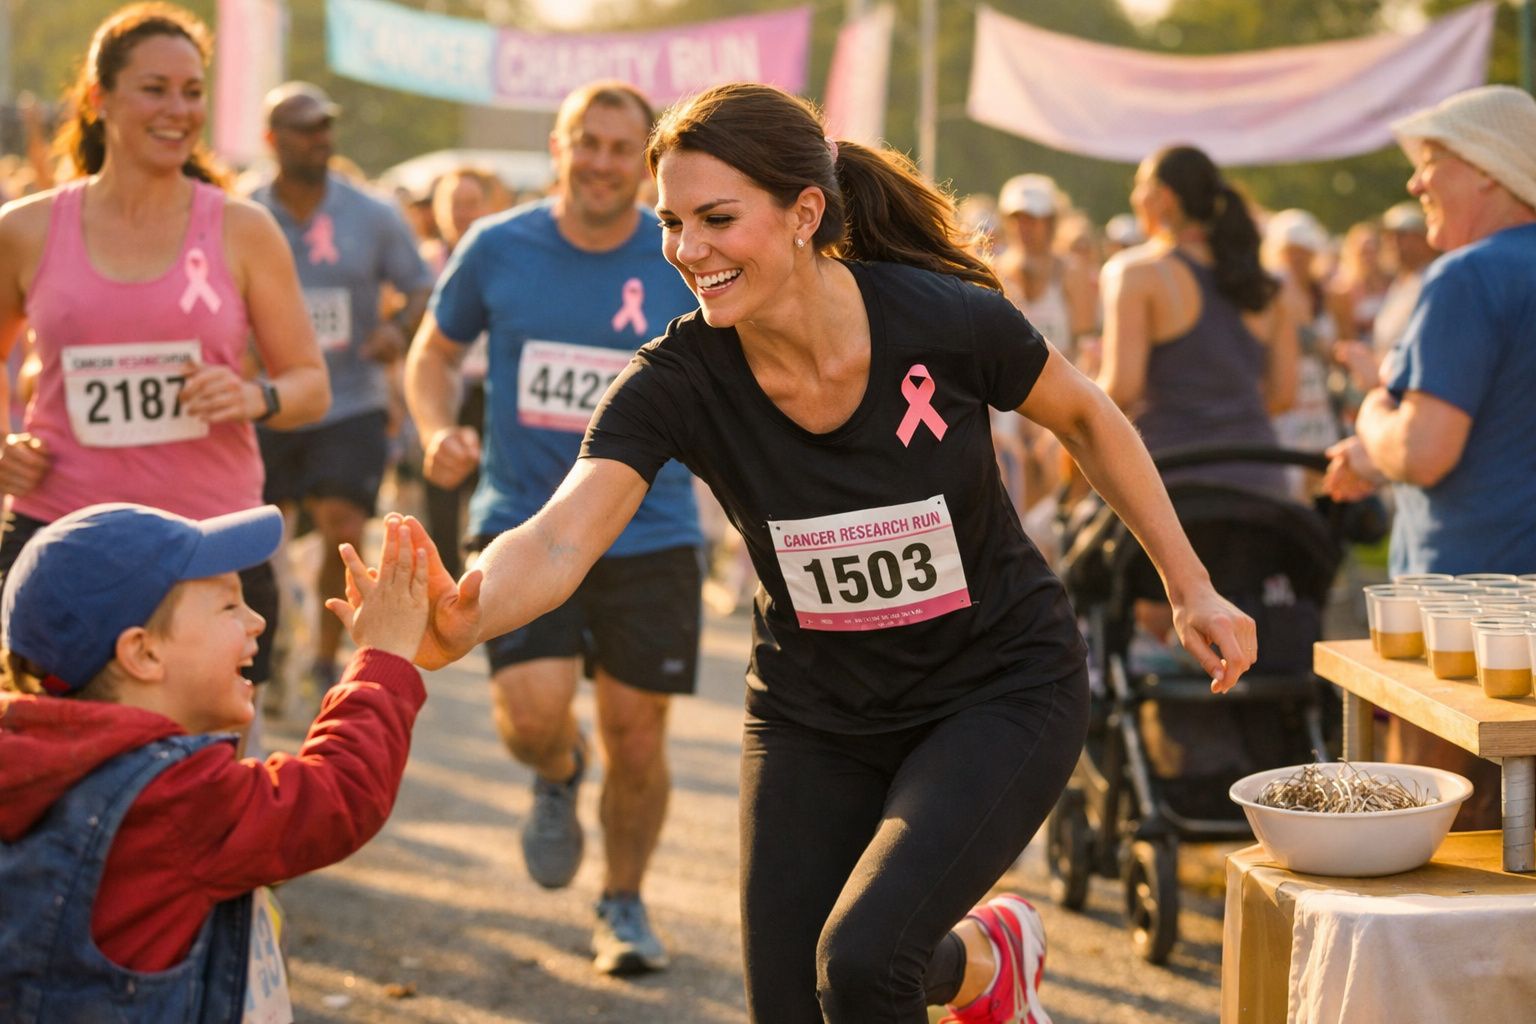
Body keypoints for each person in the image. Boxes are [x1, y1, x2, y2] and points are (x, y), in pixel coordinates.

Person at [401, 82, 1257, 1024]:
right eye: (673, 223)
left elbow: (1090, 418)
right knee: (797, 1003)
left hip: (998, 686)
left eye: (718, 219)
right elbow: (562, 534)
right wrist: (462, 615)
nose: (689, 251)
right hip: (816, 715)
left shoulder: (941, 317)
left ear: (806, 212)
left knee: (861, 963)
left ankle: (979, 956)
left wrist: (1192, 586)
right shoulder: (675, 381)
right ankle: (987, 963)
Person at [404, 80, 703, 976]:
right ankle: (557, 768)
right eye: (589, 143)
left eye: (623, 147)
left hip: (650, 530)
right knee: (531, 719)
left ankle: (623, 902)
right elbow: (433, 353)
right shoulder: (498, 246)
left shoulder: (679, 252)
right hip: (522, 526)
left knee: (639, 733)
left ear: (644, 161)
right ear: (558, 146)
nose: (604, 163)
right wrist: (433, 431)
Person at [0, 4, 329, 726]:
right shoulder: (24, 230)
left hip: (209, 542)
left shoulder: (241, 227)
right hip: (62, 541)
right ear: (99, 97)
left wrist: (252, 397)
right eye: (155, 88)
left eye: (192, 90)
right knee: (49, 788)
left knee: (204, 799)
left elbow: (311, 386)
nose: (178, 110)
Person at [0, 503, 430, 1021]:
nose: (258, 621)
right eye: (229, 607)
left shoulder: (37, 760)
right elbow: (336, 795)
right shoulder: (175, 797)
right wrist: (382, 660)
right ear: (143, 654)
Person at [1324, 85, 1536, 828]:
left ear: (1487, 169)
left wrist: (1373, 414)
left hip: (1466, 632)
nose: (1415, 184)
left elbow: (1424, 447)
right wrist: (1375, 450)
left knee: (1450, 863)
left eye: (1429, 160)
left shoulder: (1468, 275)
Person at [249, 80, 434, 695]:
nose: (319, 138)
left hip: (348, 397)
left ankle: (326, 658)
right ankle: (266, 653)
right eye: (304, 127)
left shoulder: (372, 214)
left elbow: (421, 289)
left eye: (326, 125)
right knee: (258, 538)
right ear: (273, 140)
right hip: (267, 401)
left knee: (344, 524)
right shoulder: (245, 213)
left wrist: (398, 330)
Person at [1098, 145, 1297, 496]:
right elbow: (1283, 395)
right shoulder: (1266, 285)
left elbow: (1122, 390)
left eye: (1140, 186)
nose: (1134, 197)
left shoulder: (1135, 273)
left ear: (1165, 198)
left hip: (1173, 487)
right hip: (1264, 482)